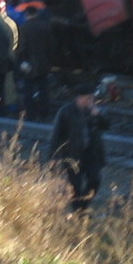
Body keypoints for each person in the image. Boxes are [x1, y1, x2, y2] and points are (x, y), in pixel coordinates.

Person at [48, 83, 106, 212]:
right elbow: (56, 134)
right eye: (88, 98)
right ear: (79, 98)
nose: (91, 101)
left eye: (92, 98)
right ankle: (77, 211)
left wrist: (98, 115)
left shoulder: (95, 111)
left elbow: (106, 125)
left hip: (91, 153)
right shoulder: (66, 111)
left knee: (95, 181)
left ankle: (82, 207)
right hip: (72, 154)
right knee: (75, 186)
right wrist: (53, 156)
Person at [17, 2, 54, 120]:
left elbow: (22, 47)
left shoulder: (24, 28)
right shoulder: (46, 26)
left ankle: (30, 114)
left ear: (27, 14)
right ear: (36, 14)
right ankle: (44, 113)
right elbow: (51, 46)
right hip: (44, 64)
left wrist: (22, 61)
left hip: (29, 64)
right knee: (43, 90)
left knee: (28, 90)